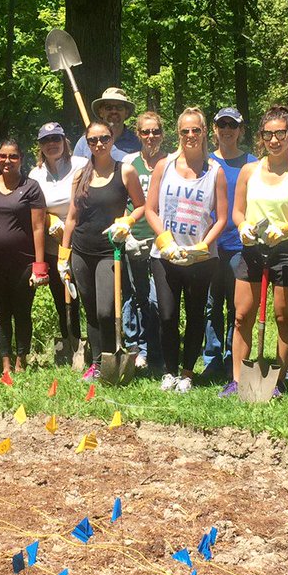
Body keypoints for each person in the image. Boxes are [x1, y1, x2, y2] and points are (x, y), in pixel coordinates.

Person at [223, 107, 288, 398]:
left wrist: (285, 230)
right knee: (242, 316)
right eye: (268, 134)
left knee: (284, 318)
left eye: (280, 133)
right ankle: (238, 380)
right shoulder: (250, 171)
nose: (274, 140)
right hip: (252, 248)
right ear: (261, 137)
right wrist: (243, 227)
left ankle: (277, 381)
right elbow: (237, 212)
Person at [145, 107, 227, 392]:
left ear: (205, 132)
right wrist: (164, 240)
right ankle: (168, 371)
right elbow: (150, 209)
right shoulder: (164, 165)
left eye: (196, 130)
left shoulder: (215, 171)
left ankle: (188, 372)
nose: (191, 135)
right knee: (166, 314)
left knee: (195, 315)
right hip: (166, 257)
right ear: (178, 134)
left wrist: (204, 245)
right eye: (185, 131)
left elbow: (223, 218)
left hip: (200, 258)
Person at [59, 120, 147, 381]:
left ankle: (112, 355)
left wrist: (127, 221)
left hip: (110, 251)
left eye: (104, 139)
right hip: (81, 250)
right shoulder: (81, 175)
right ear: (87, 144)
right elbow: (72, 217)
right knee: (90, 308)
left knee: (106, 310)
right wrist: (64, 255)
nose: (99, 144)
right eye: (93, 140)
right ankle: (97, 364)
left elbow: (141, 206)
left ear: (112, 140)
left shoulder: (125, 171)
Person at [0, 140, 48, 376]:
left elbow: (38, 227)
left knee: (22, 312)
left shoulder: (31, 187)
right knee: (1, 313)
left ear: (21, 159)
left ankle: (21, 360)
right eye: (3, 156)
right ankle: (5, 362)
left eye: (13, 156)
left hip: (24, 263)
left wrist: (39, 265)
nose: (7, 161)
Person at [202, 106, 257, 381]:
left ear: (241, 130)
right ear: (214, 130)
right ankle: (212, 358)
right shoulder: (205, 162)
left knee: (237, 306)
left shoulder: (251, 163)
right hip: (210, 244)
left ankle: (231, 357)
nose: (227, 131)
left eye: (232, 126)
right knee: (212, 303)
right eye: (222, 125)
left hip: (239, 245)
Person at [29, 122, 86, 355]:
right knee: (61, 295)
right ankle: (69, 340)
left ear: (65, 141)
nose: (51, 144)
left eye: (56, 139)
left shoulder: (81, 166)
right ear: (40, 146)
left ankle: (91, 340)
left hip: (82, 242)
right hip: (54, 245)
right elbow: (33, 210)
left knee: (86, 294)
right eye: (45, 141)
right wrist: (51, 221)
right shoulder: (36, 175)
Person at [122, 111, 167, 371]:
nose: (151, 137)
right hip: (135, 236)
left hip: (161, 238)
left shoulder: (170, 161)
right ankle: (135, 347)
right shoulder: (130, 163)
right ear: (138, 134)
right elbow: (122, 198)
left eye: (156, 131)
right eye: (146, 132)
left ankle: (155, 346)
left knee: (157, 298)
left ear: (162, 133)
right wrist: (125, 230)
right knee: (134, 295)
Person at [71, 87, 141, 162]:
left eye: (119, 107)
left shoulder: (138, 141)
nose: (114, 111)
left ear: (126, 112)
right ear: (101, 112)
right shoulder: (84, 142)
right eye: (108, 107)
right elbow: (75, 170)